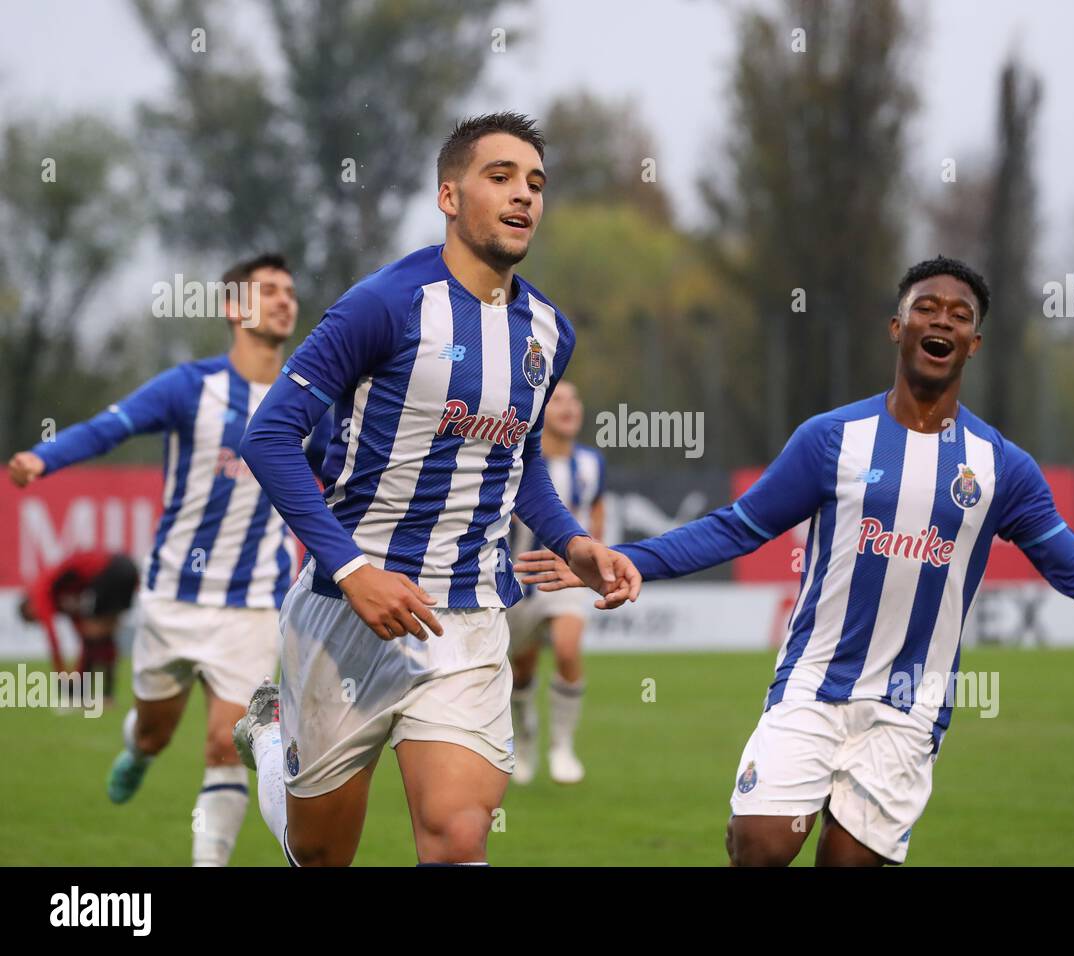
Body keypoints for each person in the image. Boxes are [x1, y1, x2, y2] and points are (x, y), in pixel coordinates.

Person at [518, 255, 1074, 867]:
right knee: (762, 845)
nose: (942, 320)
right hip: (813, 688)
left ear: (973, 343)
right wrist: (627, 561)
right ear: (897, 326)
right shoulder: (832, 439)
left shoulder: (1003, 469)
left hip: (909, 706)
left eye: (960, 315)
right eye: (926, 307)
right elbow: (737, 526)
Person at [235, 112, 640, 867]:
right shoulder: (383, 305)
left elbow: (516, 463)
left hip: (467, 617)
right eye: (501, 177)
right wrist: (352, 572)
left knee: (457, 838)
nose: (523, 196)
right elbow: (268, 435)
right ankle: (266, 741)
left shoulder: (550, 331)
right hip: (343, 615)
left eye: (536, 183)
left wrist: (574, 541)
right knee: (320, 854)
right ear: (449, 197)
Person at [7, 252, 328, 866]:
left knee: (226, 743)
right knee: (155, 730)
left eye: (290, 291)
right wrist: (46, 459)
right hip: (173, 599)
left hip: (254, 606)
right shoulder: (191, 387)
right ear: (234, 308)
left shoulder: (310, 401)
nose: (286, 300)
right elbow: (111, 426)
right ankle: (138, 749)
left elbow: (342, 471)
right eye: (269, 290)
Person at [505, 380, 606, 784]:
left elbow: (596, 511)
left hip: (566, 583)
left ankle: (562, 747)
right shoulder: (516, 461)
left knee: (567, 648)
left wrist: (595, 557)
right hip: (518, 582)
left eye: (574, 399)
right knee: (521, 670)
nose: (569, 407)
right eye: (558, 400)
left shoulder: (591, 464)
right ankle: (525, 740)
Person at [19, 549, 140, 708]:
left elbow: (53, 637)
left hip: (109, 570)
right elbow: (80, 629)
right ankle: (106, 696)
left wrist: (61, 674)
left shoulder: (41, 593)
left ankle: (80, 693)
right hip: (128, 568)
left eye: (33, 619)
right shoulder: (63, 593)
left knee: (93, 633)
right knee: (102, 635)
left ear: (29, 607)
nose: (39, 620)